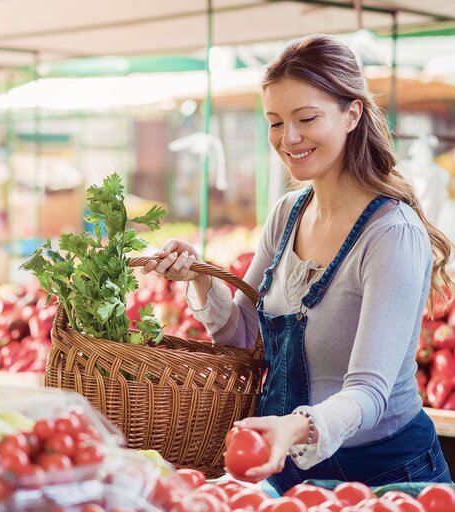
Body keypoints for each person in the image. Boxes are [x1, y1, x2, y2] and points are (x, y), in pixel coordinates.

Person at [143, 34, 454, 493]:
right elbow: (243, 335)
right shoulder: (286, 214)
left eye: (306, 118)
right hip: (288, 464)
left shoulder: (391, 233)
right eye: (275, 122)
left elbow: (369, 392)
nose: (288, 139)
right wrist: (202, 279)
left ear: (353, 114)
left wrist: (295, 427)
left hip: (386, 476)